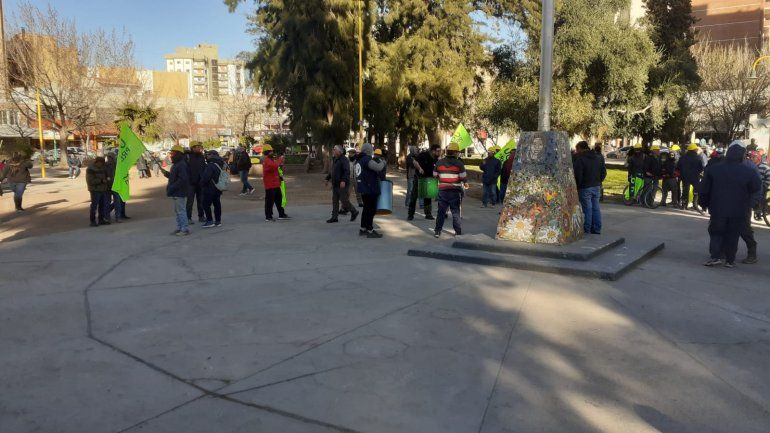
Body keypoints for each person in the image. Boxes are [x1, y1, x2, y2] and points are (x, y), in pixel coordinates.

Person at [699, 141, 762, 268]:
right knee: (733, 234)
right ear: (743, 154)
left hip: (718, 208)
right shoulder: (748, 170)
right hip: (739, 209)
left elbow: (704, 189)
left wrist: (703, 203)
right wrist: (750, 204)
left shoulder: (715, 168)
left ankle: (716, 256)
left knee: (716, 232)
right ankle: (730, 260)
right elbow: (756, 187)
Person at [433, 142, 468, 238]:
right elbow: (463, 177)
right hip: (454, 191)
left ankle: (437, 231)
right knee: (455, 212)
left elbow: (435, 175)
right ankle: (458, 232)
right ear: (455, 152)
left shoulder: (439, 162)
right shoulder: (459, 163)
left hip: (443, 191)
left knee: (441, 212)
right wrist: (465, 182)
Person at [573, 141, 607, 235]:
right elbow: (604, 172)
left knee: (587, 209)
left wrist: (578, 186)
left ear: (580, 148)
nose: (576, 151)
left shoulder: (580, 160)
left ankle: (587, 229)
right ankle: (596, 228)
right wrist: (599, 181)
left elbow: (578, 175)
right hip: (596, 186)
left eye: (577, 149)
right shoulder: (598, 158)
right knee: (595, 208)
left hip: (585, 187)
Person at [354, 143, 386, 238]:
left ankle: (363, 228)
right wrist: (383, 162)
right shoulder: (367, 159)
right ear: (368, 150)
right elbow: (378, 167)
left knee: (366, 209)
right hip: (370, 188)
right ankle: (370, 230)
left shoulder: (359, 160)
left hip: (363, 188)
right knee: (371, 210)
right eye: (371, 149)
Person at [161, 145, 191, 236]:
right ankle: (179, 227)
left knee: (181, 211)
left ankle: (184, 229)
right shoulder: (176, 164)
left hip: (179, 192)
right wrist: (166, 173)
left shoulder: (181, 164)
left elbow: (182, 179)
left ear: (178, 153)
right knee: (177, 211)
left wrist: (172, 187)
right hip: (175, 191)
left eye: (173, 152)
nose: (171, 154)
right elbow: (174, 177)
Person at [325, 145, 358, 223]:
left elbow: (346, 171)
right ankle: (334, 217)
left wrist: (343, 180)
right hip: (335, 184)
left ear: (339, 151)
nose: (333, 151)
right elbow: (332, 171)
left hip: (342, 184)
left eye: (334, 149)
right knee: (335, 201)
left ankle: (354, 211)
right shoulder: (335, 159)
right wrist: (327, 178)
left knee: (344, 200)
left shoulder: (344, 160)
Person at [407, 144, 441, 221]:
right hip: (419, 177)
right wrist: (419, 169)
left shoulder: (436, 158)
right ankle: (410, 214)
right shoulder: (423, 155)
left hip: (430, 178)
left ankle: (428, 214)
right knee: (414, 196)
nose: (439, 152)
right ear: (433, 151)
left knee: (428, 196)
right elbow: (415, 162)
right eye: (438, 151)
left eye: (440, 151)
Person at [262, 144, 290, 221]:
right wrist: (280, 160)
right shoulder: (267, 160)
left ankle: (281, 214)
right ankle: (268, 217)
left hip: (275, 184)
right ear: (267, 152)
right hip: (270, 185)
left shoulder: (270, 160)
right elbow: (273, 166)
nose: (272, 152)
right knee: (269, 202)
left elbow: (275, 168)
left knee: (279, 200)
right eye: (271, 151)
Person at [200, 150, 225, 228]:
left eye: (208, 154)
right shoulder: (220, 164)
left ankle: (210, 221)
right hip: (218, 187)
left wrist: (201, 184)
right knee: (217, 204)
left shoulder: (211, 165)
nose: (206, 156)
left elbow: (206, 177)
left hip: (209, 188)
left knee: (205, 204)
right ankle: (218, 221)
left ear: (212, 155)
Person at [677, 143, 705, 210]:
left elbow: (678, 166)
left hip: (685, 176)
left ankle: (684, 205)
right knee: (696, 190)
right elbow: (702, 167)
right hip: (695, 177)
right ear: (694, 149)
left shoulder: (682, 157)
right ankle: (695, 205)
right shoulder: (698, 157)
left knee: (685, 190)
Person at [85, 157, 111, 227]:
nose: (101, 165)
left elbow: (106, 175)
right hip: (95, 190)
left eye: (103, 164)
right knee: (94, 206)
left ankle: (101, 219)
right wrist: (101, 181)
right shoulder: (90, 169)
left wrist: (107, 178)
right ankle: (92, 221)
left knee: (102, 205)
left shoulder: (103, 168)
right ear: (97, 162)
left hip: (103, 189)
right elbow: (90, 181)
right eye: (101, 163)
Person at [105, 152, 129, 222]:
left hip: (116, 186)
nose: (110, 159)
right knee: (107, 202)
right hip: (107, 186)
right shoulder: (105, 166)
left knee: (117, 202)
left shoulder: (118, 166)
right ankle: (107, 217)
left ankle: (118, 217)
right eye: (109, 157)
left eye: (111, 157)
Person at [186, 144, 206, 225]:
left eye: (199, 147)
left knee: (201, 201)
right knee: (190, 201)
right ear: (192, 148)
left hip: (200, 182)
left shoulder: (201, 156)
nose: (199, 148)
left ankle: (201, 216)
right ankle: (188, 218)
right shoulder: (187, 157)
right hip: (191, 183)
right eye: (197, 147)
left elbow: (204, 167)